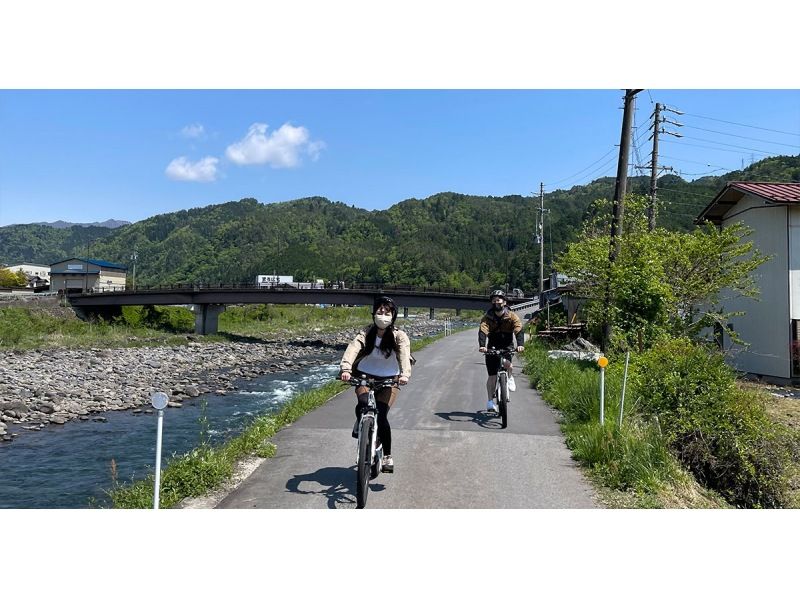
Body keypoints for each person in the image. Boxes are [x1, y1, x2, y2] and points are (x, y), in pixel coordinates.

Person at [339, 295, 412, 473]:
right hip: (365, 374)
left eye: (387, 311)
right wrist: (346, 369)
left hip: (390, 378)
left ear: (393, 315)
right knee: (363, 403)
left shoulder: (398, 335)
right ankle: (361, 422)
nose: (383, 314)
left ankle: (387, 455)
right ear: (374, 313)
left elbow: (404, 354)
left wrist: (404, 375)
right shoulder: (366, 332)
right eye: (380, 310)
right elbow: (353, 348)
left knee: (382, 415)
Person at [478, 289, 524, 413]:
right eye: (493, 300)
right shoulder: (487, 317)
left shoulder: (511, 316)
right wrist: (482, 345)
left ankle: (509, 378)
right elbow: (483, 330)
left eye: (498, 300)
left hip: (507, 346)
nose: (496, 302)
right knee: (492, 376)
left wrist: (520, 345)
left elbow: (518, 328)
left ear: (504, 302)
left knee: (508, 365)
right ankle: (490, 402)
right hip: (492, 347)